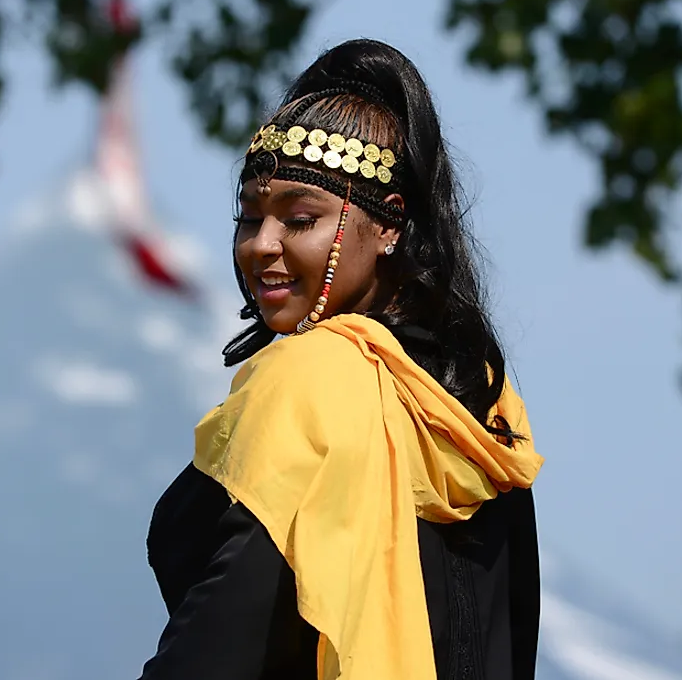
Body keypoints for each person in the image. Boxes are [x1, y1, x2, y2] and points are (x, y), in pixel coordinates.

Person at [138, 39, 544, 680]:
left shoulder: (313, 380)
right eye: (250, 217)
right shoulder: (484, 413)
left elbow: (222, 642)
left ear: (388, 226)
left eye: (301, 218)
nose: (262, 245)